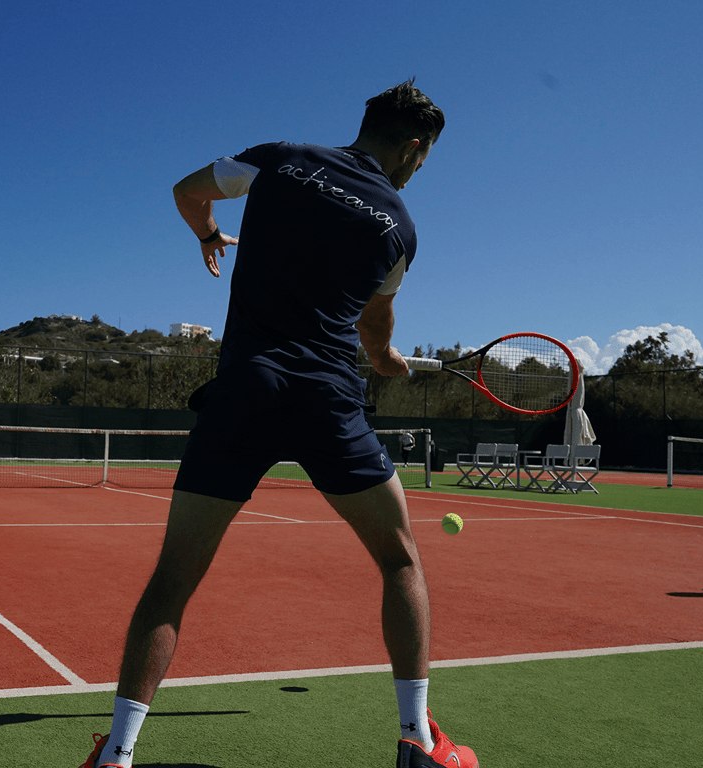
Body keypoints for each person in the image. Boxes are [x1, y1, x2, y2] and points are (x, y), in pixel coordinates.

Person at [79, 79, 476, 768]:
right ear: (414, 146)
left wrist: (207, 233)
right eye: (425, 158)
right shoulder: (400, 229)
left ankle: (116, 755)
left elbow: (186, 190)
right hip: (327, 399)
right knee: (400, 560)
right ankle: (417, 740)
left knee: (173, 579)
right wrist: (387, 364)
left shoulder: (281, 158)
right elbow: (375, 333)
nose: (420, 171)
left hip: (246, 391)